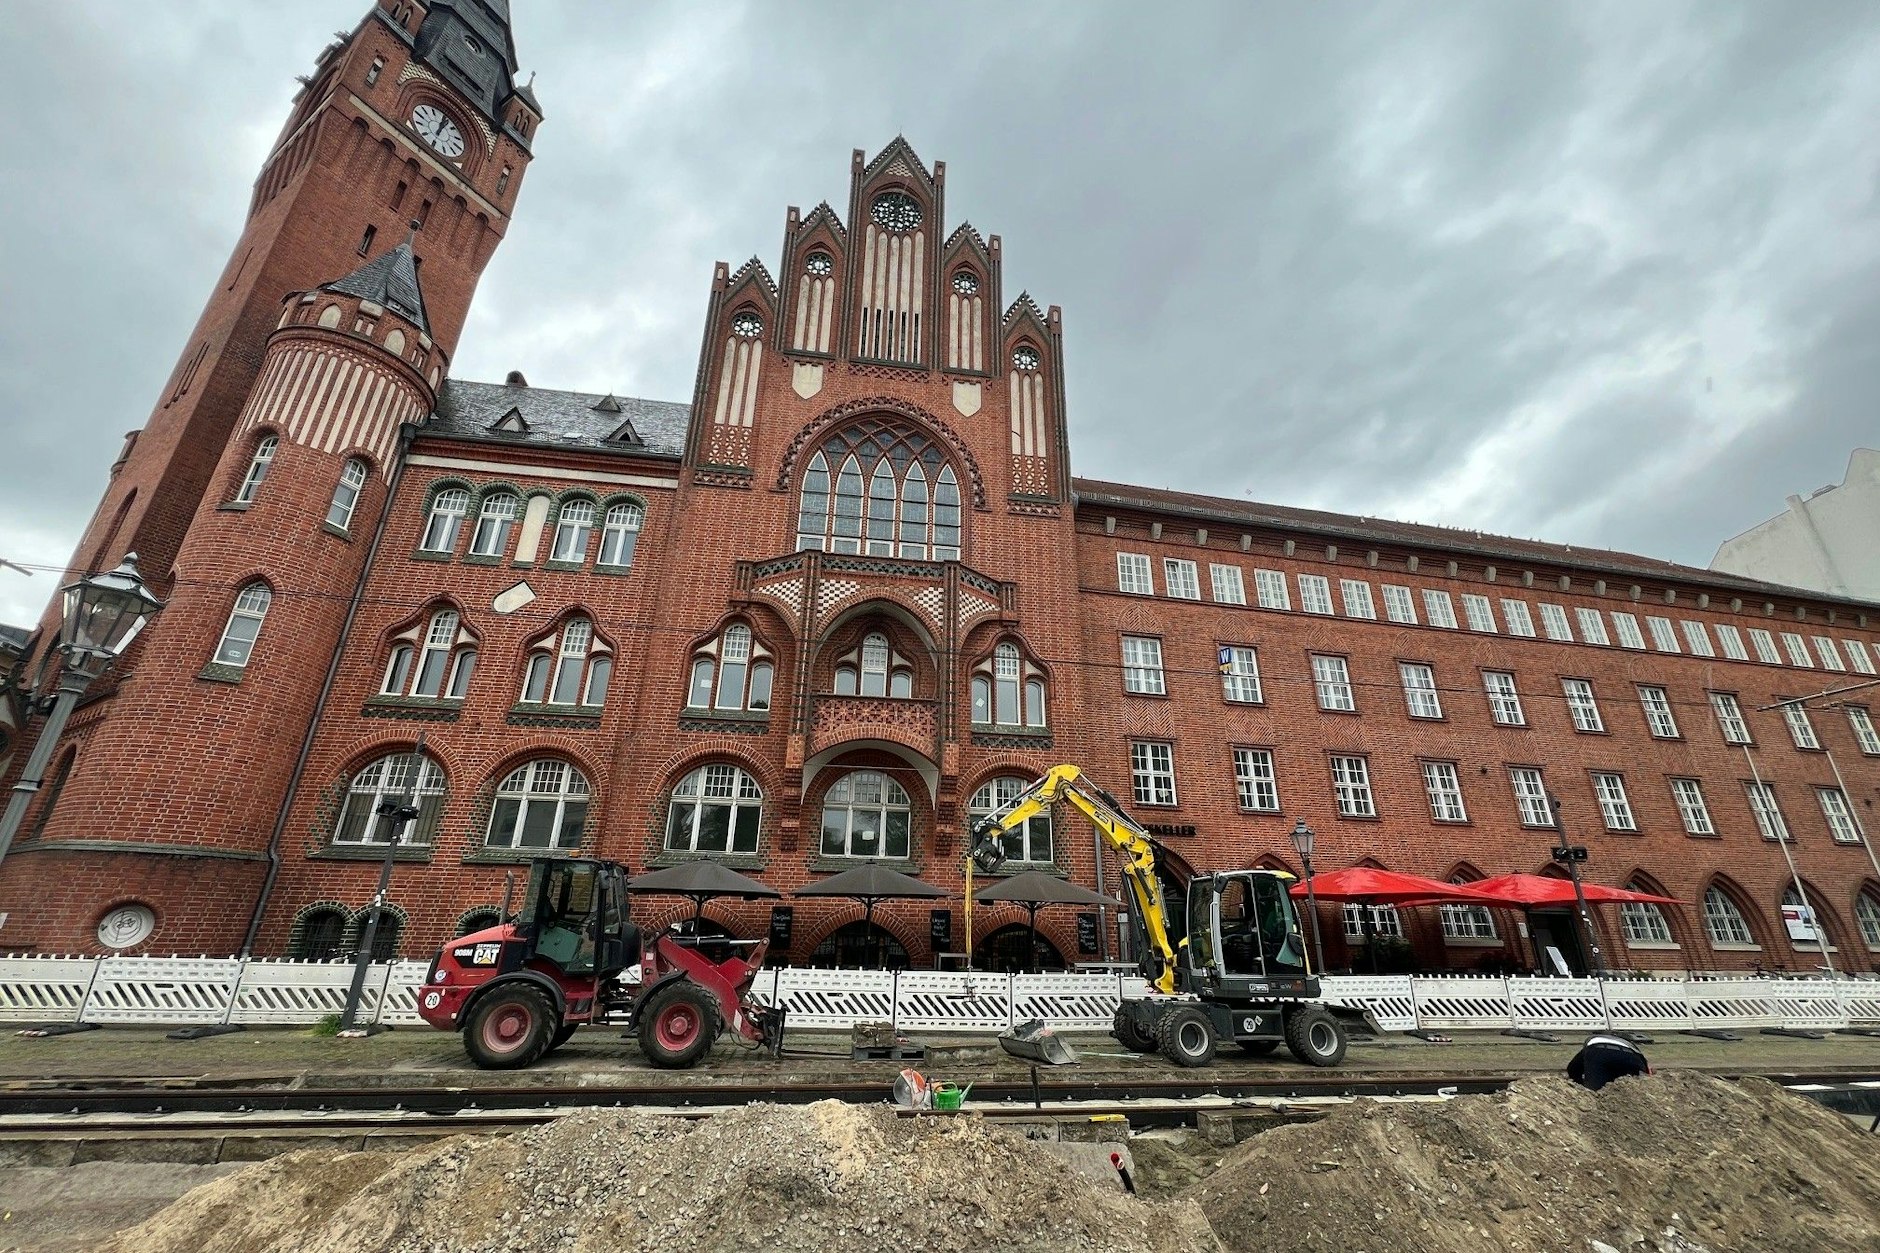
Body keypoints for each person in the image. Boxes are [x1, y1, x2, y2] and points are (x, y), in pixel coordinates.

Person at [1566, 1034, 1650, 1091]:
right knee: (1636, 1088)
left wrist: (1579, 1084)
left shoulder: (1592, 1042)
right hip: (1630, 1055)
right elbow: (1645, 1068)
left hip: (1598, 1051)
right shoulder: (1629, 1044)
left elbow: (1572, 1068)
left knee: (1593, 1092)